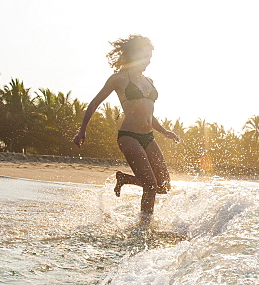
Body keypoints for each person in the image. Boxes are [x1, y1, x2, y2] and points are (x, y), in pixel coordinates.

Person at [73, 35, 180, 218]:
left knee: (164, 185)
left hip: (149, 137)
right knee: (151, 185)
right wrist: (82, 130)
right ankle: (144, 225)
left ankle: (125, 178)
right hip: (129, 136)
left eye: (150, 58)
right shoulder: (119, 78)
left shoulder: (149, 81)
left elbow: (148, 113)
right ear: (134, 54)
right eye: (145, 56)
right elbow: (94, 103)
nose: (148, 61)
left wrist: (163, 131)